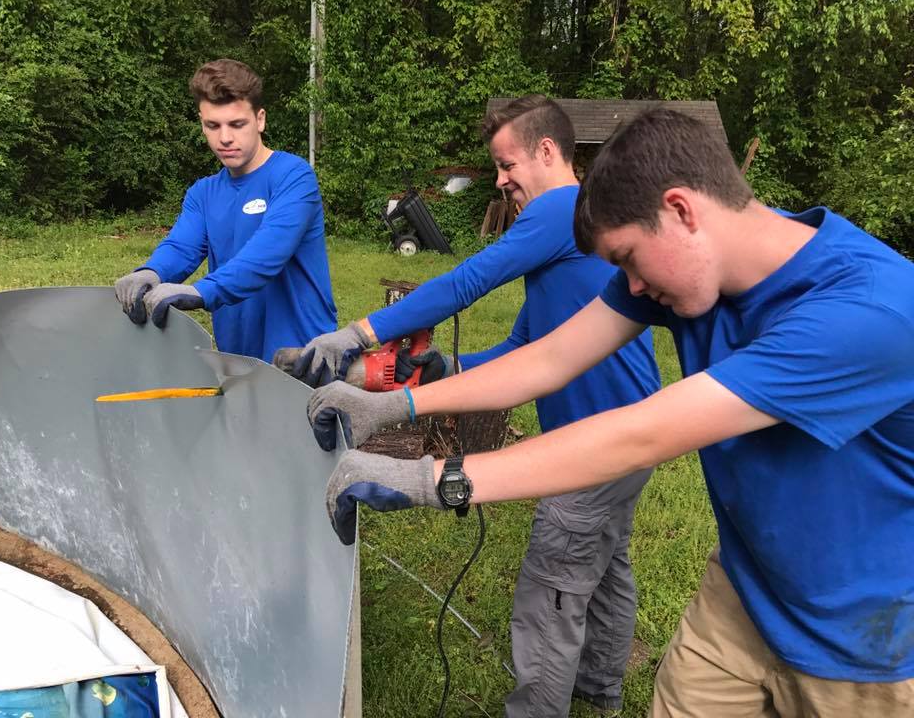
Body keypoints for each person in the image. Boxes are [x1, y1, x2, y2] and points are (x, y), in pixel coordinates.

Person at [307, 108, 914, 716]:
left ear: (681, 209)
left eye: (626, 258)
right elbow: (548, 359)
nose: (631, 285)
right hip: (746, 591)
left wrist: (432, 479)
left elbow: (642, 434)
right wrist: (391, 404)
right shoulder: (684, 267)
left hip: (866, 645)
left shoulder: (866, 314)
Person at [288, 95, 660, 715]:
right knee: (606, 559)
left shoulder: (563, 209)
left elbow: (465, 283)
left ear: (547, 152)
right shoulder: (578, 227)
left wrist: (359, 333)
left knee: (553, 585)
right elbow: (526, 346)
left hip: (593, 438)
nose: (500, 179)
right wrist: (448, 369)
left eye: (506, 163)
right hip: (631, 432)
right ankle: (600, 686)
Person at [113, 58, 336, 361]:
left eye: (237, 124)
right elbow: (181, 247)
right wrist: (152, 272)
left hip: (303, 358)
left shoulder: (293, 177)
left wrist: (202, 292)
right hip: (238, 360)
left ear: (260, 120)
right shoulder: (203, 193)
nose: (225, 138)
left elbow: (266, 255)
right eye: (213, 126)